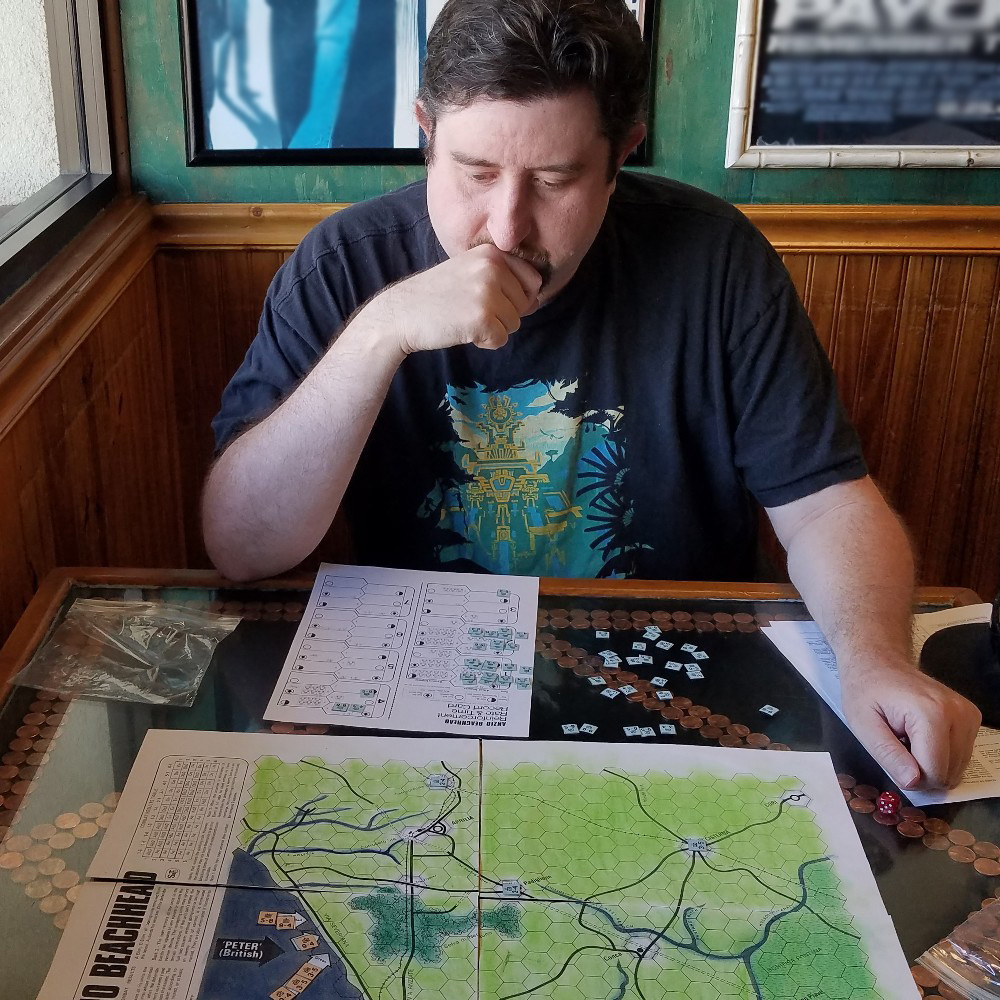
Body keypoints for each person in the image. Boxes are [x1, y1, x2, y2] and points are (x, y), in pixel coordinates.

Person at [203, 0, 980, 790]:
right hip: (415, 706)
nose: (505, 228)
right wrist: (377, 338)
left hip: (679, 705)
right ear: (425, 133)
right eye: (475, 173)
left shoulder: (717, 262)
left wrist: (874, 659)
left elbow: (824, 505)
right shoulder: (341, 264)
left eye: (554, 179)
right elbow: (240, 547)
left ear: (622, 156)